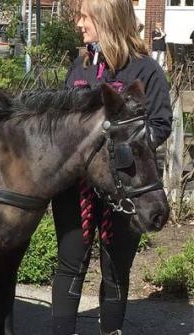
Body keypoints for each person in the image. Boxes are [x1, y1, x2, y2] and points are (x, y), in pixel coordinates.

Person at [51, 0, 172, 334]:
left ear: (106, 20)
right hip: (76, 189)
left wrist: (120, 149)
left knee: (116, 265)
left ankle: (111, 330)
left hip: (128, 185)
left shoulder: (146, 71)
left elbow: (160, 124)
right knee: (69, 264)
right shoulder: (80, 69)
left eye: (84, 16)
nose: (78, 23)